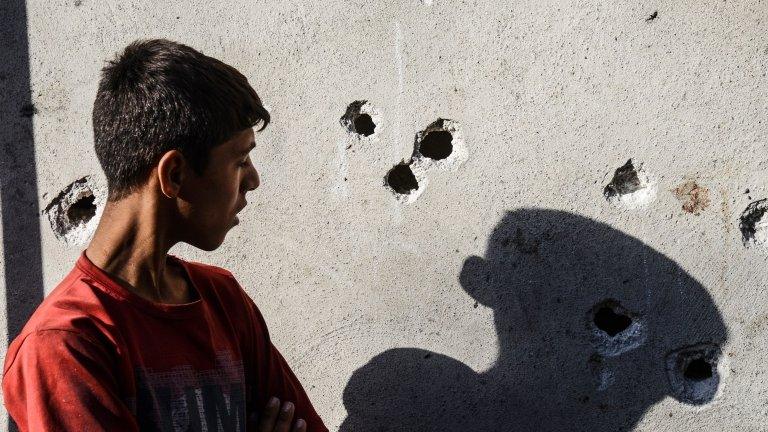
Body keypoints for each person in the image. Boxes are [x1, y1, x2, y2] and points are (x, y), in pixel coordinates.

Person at [2, 39, 326, 432]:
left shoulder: (223, 299)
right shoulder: (63, 347)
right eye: (240, 160)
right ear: (173, 174)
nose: (253, 180)